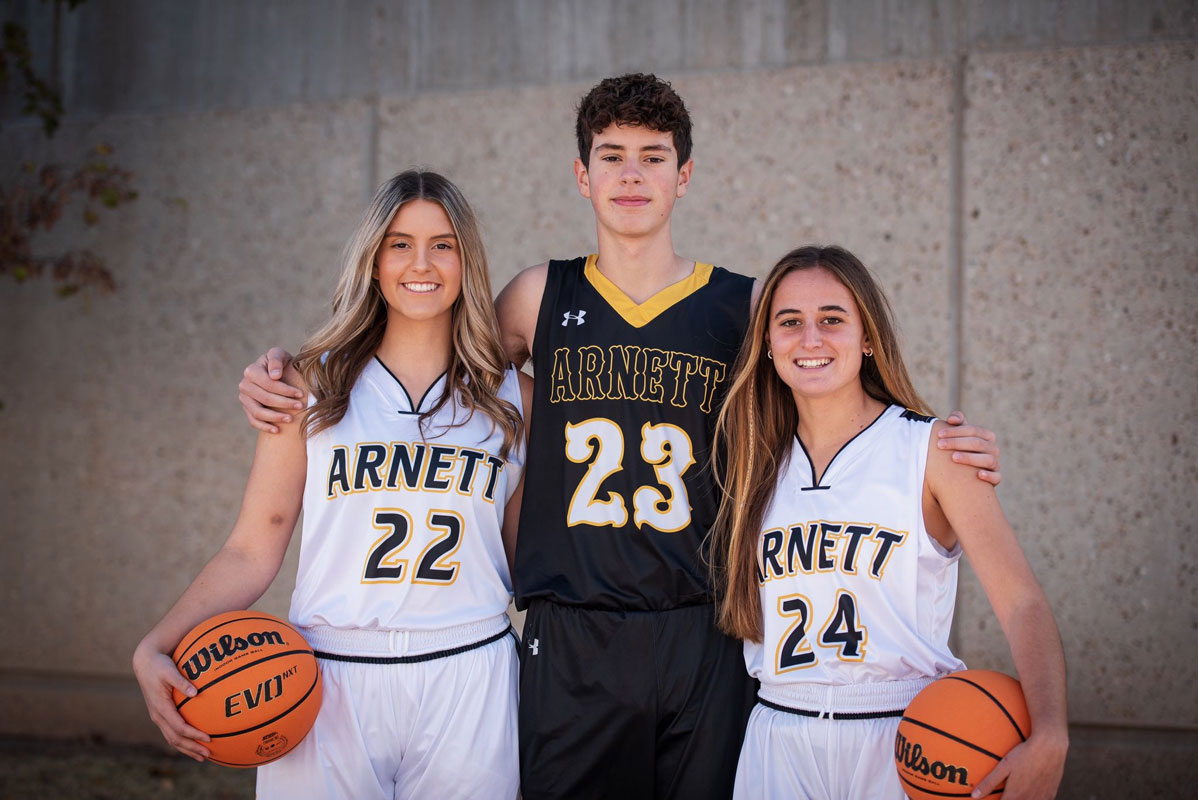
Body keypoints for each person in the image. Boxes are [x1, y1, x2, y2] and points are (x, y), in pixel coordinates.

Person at [237, 75, 1004, 799]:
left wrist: (929, 441)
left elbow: (827, 386)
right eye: (612, 157)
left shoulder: (742, 306)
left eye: (653, 157)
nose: (632, 176)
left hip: (704, 623)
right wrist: (300, 375)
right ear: (582, 175)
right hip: (575, 626)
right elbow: (438, 373)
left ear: (685, 175)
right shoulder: (539, 296)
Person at [133, 169, 531, 800]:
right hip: (327, 676)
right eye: (399, 243)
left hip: (470, 668)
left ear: (467, 261)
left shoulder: (512, 399)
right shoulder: (307, 386)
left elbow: (524, 562)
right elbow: (253, 545)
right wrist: (157, 643)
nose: (420, 262)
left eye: (443, 244)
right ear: (373, 261)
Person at [711, 245, 1067, 800]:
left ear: (869, 337)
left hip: (907, 730)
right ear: (767, 345)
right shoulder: (748, 461)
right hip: (778, 731)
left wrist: (1052, 734)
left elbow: (1021, 601)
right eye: (789, 323)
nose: (810, 340)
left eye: (832, 319)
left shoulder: (933, 450)